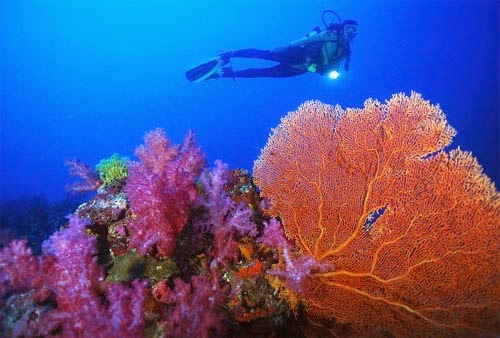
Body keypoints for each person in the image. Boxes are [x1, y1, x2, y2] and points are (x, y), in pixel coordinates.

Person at [185, 10, 358, 82]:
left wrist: (316, 69)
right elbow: (305, 41)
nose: (351, 32)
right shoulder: (330, 35)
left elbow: (326, 70)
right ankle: (228, 55)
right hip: (295, 54)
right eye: (349, 28)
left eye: (354, 31)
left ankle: (225, 73)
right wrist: (286, 46)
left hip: (300, 68)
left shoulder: (345, 53)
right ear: (343, 28)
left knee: (264, 73)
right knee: (263, 54)